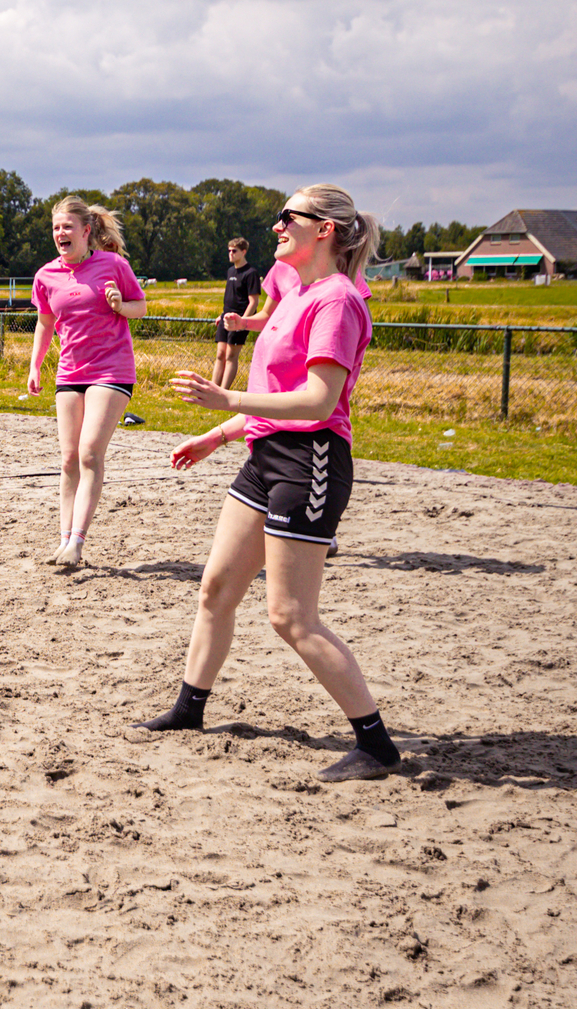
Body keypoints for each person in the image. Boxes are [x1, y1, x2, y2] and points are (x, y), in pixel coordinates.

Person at [143, 185, 401, 773]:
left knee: (290, 617)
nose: (277, 226)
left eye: (288, 217)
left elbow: (318, 399)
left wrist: (224, 398)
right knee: (216, 590)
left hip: (309, 461)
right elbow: (280, 395)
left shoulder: (335, 300)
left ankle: (376, 745)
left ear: (325, 230)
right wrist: (222, 433)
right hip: (266, 457)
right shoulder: (296, 295)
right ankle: (189, 707)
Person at [28, 198, 147, 570]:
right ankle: (64, 541)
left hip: (112, 370)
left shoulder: (113, 265)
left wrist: (119, 306)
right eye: (55, 228)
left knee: (90, 452)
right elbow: (45, 324)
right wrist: (35, 367)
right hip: (70, 372)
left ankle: (77, 542)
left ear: (86, 231)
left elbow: (139, 307)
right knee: (68, 460)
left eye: (67, 227)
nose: (60, 234)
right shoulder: (46, 275)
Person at [212, 236, 266, 389]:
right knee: (220, 354)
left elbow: (253, 302)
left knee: (231, 356)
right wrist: (222, 315)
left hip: (239, 319)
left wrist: (243, 322)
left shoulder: (251, 273)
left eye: (234, 251)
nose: (230, 253)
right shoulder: (230, 271)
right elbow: (230, 297)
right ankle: (213, 389)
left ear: (243, 252)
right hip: (226, 318)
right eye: (229, 251)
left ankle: (223, 392)